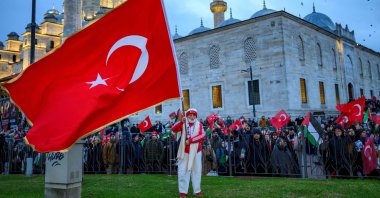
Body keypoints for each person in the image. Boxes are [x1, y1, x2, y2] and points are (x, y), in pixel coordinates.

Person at [172, 108, 205, 198]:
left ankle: (197, 190)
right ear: (187, 116)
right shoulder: (183, 123)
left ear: (196, 116)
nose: (192, 116)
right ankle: (183, 192)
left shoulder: (200, 125)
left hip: (196, 151)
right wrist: (180, 122)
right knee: (183, 171)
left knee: (197, 171)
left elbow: (202, 135)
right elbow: (173, 129)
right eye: (190, 115)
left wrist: (190, 140)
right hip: (185, 151)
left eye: (193, 115)